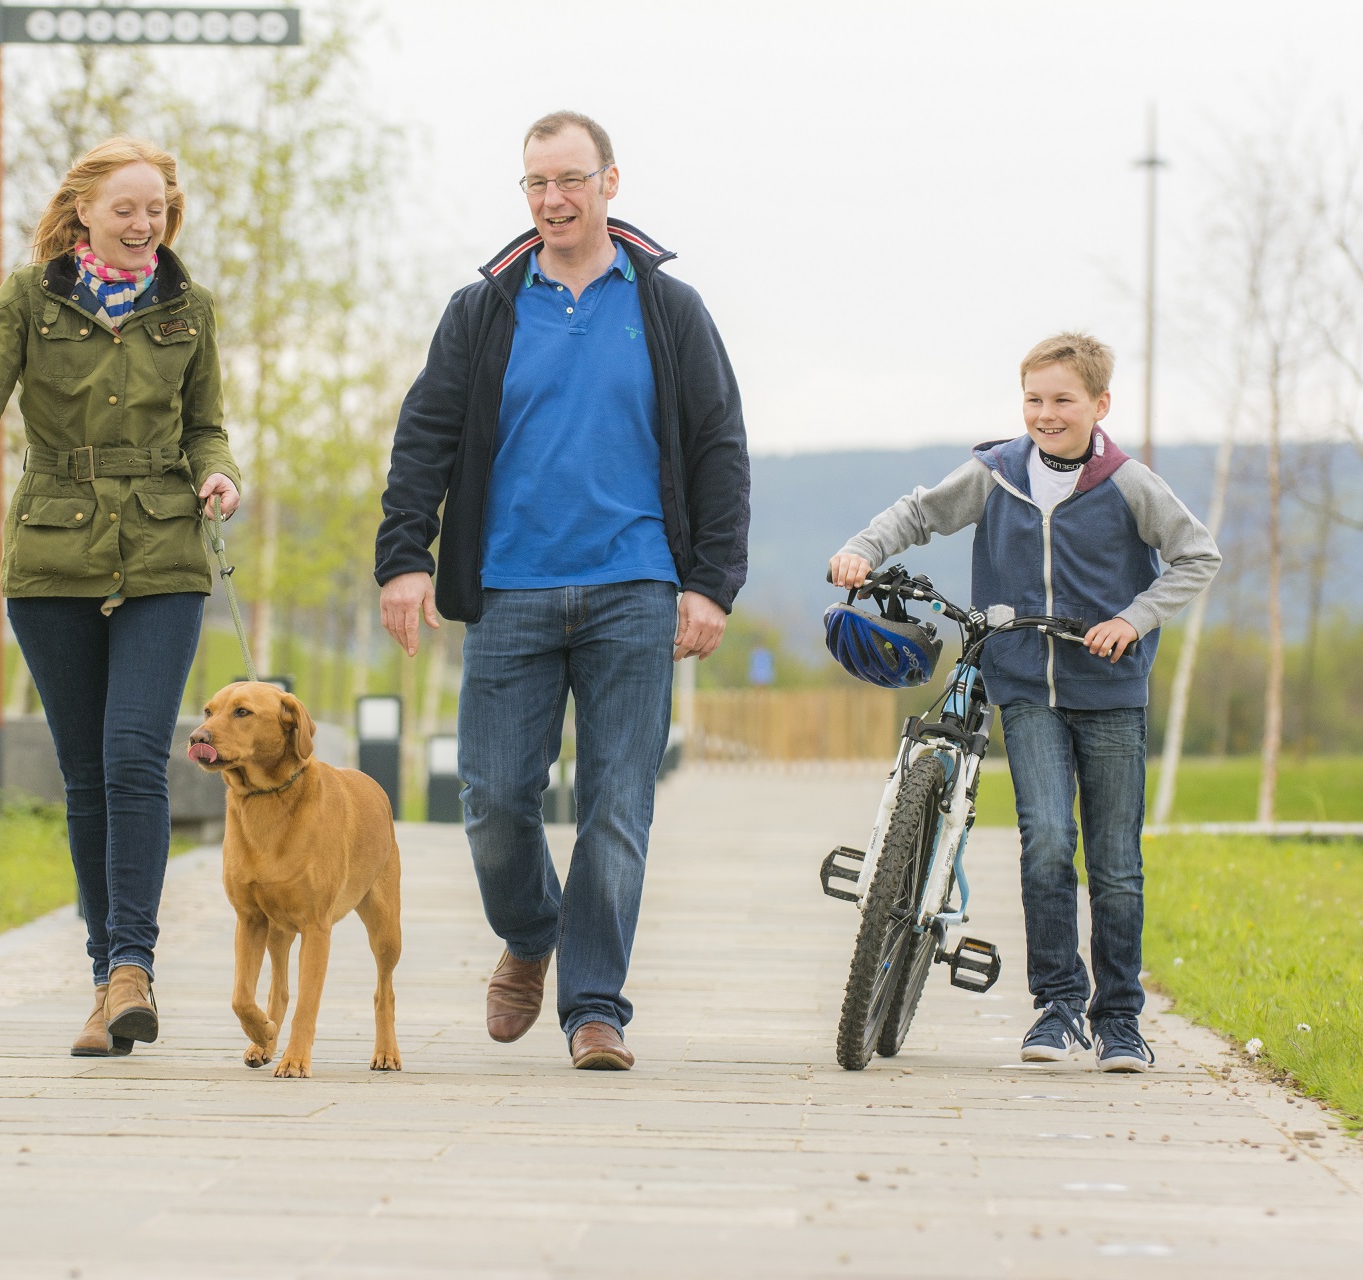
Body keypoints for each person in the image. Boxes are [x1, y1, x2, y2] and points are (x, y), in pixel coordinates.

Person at [374, 111, 751, 1070]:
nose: (552, 200)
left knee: (617, 804)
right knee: (494, 797)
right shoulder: (486, 308)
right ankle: (533, 932)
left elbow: (718, 450)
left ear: (611, 183)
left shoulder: (669, 307)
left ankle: (595, 1009)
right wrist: (404, 558)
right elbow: (424, 438)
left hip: (636, 586)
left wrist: (709, 584)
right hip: (510, 589)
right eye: (536, 184)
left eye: (570, 180)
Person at [0, 137, 241, 1057]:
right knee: (86, 774)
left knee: (135, 754)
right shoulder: (30, 298)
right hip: (53, 549)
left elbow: (206, 423)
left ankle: (133, 967)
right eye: (126, 209)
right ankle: (105, 982)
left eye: (158, 211)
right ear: (83, 210)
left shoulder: (190, 309)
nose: (144, 225)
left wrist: (219, 474)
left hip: (164, 548)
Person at [828, 332, 1219, 1072]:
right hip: (1024, 688)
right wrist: (864, 549)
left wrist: (1131, 620)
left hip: (1109, 692)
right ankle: (1058, 1006)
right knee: (1044, 842)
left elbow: (1198, 555)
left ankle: (1121, 1020)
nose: (1046, 413)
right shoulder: (996, 473)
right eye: (1034, 399)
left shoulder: (1130, 483)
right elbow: (918, 514)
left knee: (1114, 863)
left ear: (1100, 406)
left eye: (1063, 400)